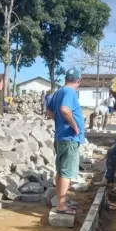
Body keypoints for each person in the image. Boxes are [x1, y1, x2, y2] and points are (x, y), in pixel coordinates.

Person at [46, 68, 85, 215]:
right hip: (69, 138)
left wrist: (60, 122)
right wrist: (74, 126)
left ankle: (61, 202)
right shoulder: (69, 92)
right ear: (79, 81)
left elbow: (49, 110)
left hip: (61, 137)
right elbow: (64, 109)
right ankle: (61, 206)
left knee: (61, 171)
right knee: (67, 172)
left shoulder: (59, 92)